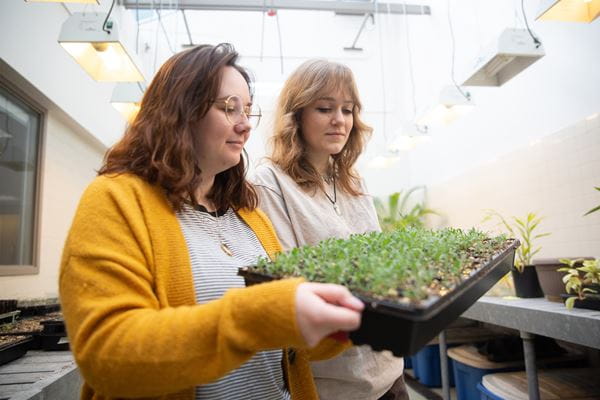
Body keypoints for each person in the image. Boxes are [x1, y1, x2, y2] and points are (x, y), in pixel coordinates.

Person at [59, 44, 364, 400]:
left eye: (248, 110)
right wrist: (257, 317)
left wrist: (339, 324)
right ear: (179, 112)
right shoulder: (116, 200)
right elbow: (107, 353)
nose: (245, 125)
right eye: (228, 108)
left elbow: (287, 348)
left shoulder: (249, 215)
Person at [252, 59, 407, 400]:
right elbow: (290, 281)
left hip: (390, 374)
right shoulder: (271, 182)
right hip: (333, 385)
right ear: (297, 115)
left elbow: (382, 264)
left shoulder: (354, 182)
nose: (340, 120)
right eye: (324, 108)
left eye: (347, 110)